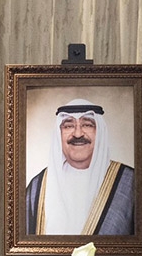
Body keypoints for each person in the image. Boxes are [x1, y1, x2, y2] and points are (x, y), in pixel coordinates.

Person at [24, 98, 134, 235]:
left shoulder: (130, 183)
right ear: (59, 133)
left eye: (87, 125)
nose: (77, 134)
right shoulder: (38, 187)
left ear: (99, 132)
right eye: (68, 126)